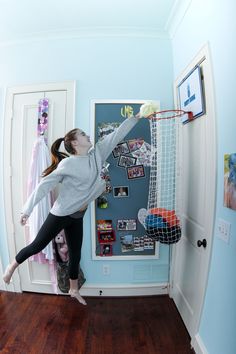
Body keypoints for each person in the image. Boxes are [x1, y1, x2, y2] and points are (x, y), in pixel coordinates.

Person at [3, 112, 142, 305]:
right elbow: (45, 185)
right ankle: (11, 267)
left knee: (75, 253)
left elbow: (117, 134)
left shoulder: (97, 154)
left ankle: (73, 289)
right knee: (38, 245)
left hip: (77, 215)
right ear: (75, 143)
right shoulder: (68, 163)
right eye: (83, 134)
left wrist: (137, 117)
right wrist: (27, 210)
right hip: (60, 213)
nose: (88, 136)